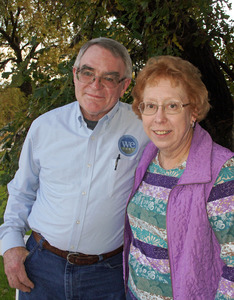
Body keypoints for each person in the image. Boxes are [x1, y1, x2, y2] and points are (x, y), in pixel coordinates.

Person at [0, 37, 149, 300]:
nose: (95, 85)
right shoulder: (44, 127)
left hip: (107, 275)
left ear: (125, 85)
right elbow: (22, 192)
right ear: (74, 74)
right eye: (87, 73)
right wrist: (11, 246)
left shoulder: (145, 128)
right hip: (41, 268)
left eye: (109, 77)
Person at [123, 56, 234, 299]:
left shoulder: (222, 171)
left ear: (193, 111)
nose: (159, 118)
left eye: (172, 105)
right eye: (150, 106)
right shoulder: (148, 157)